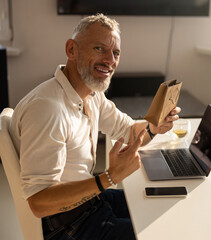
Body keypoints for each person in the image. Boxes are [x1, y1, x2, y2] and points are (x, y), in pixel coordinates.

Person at [9, 14, 180, 240]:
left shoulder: (91, 95)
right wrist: (109, 177)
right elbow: (39, 203)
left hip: (91, 201)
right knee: (163, 232)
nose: (110, 60)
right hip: (66, 225)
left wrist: (154, 127)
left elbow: (128, 131)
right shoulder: (47, 109)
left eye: (116, 53)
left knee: (169, 209)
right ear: (71, 49)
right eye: (99, 48)